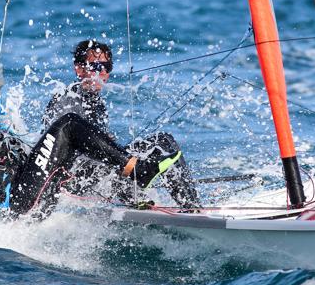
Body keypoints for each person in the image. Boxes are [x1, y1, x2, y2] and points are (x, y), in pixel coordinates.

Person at [0, 65, 184, 218]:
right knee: (68, 124)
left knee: (160, 142)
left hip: (30, 192)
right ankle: (136, 171)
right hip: (20, 200)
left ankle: (187, 206)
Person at [43, 40, 201, 209]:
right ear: (80, 69)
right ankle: (140, 198)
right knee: (109, 161)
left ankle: (191, 205)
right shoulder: (68, 98)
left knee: (163, 141)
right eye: (96, 66)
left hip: (99, 174)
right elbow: (63, 152)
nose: (102, 72)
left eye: (107, 67)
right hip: (73, 181)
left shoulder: (96, 103)